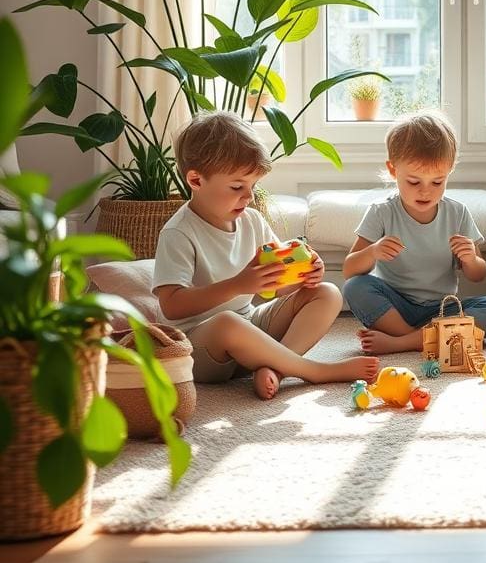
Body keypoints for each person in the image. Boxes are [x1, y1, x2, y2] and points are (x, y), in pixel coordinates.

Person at [152, 111, 379, 400]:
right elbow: (171, 305)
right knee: (227, 322)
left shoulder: (252, 220)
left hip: (249, 329)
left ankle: (277, 370)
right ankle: (313, 371)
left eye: (253, 186)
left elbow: (274, 287)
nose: (248, 197)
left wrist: (302, 278)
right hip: (200, 349)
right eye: (237, 187)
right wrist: (237, 285)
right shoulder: (179, 232)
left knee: (328, 293)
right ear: (196, 180)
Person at [342, 110, 486, 354]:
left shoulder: (457, 213)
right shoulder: (382, 212)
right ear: (393, 169)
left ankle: (403, 343)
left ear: (449, 172)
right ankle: (433, 337)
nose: (425, 191)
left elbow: (478, 275)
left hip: (442, 309)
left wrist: (470, 259)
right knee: (355, 287)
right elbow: (349, 270)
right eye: (414, 182)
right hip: (395, 308)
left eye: (437, 182)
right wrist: (373, 252)